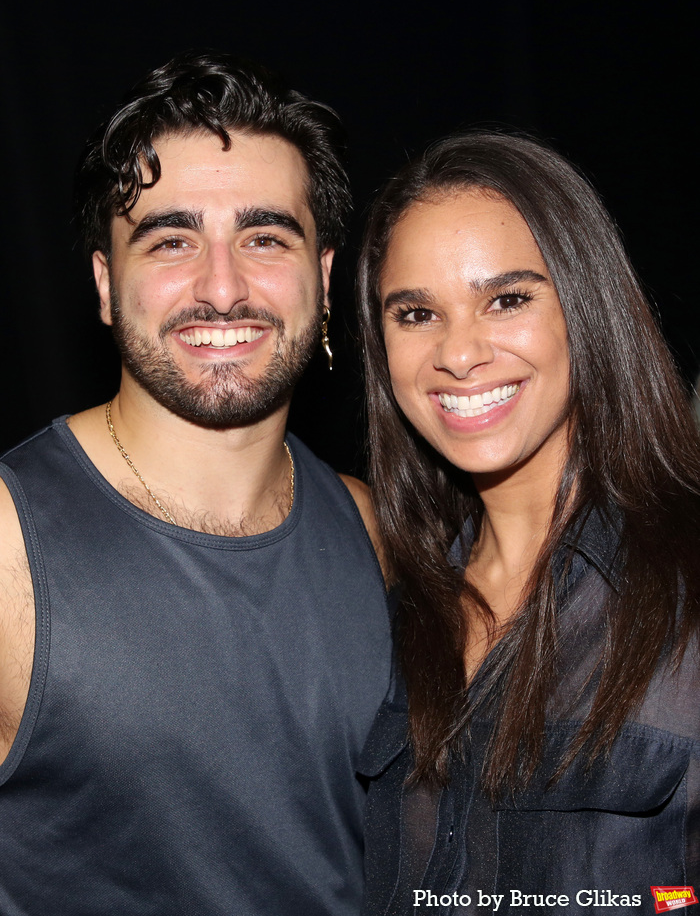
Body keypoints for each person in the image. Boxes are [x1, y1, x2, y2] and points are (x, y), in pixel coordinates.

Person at [0, 51, 391, 916]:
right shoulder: (6, 546)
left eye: (263, 237)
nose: (223, 287)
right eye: (172, 240)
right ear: (106, 284)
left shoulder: (374, 531)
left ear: (323, 281)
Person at [356, 132, 700, 914]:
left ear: (586, 304)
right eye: (416, 313)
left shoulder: (685, 586)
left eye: (506, 298)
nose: (459, 352)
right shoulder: (393, 616)